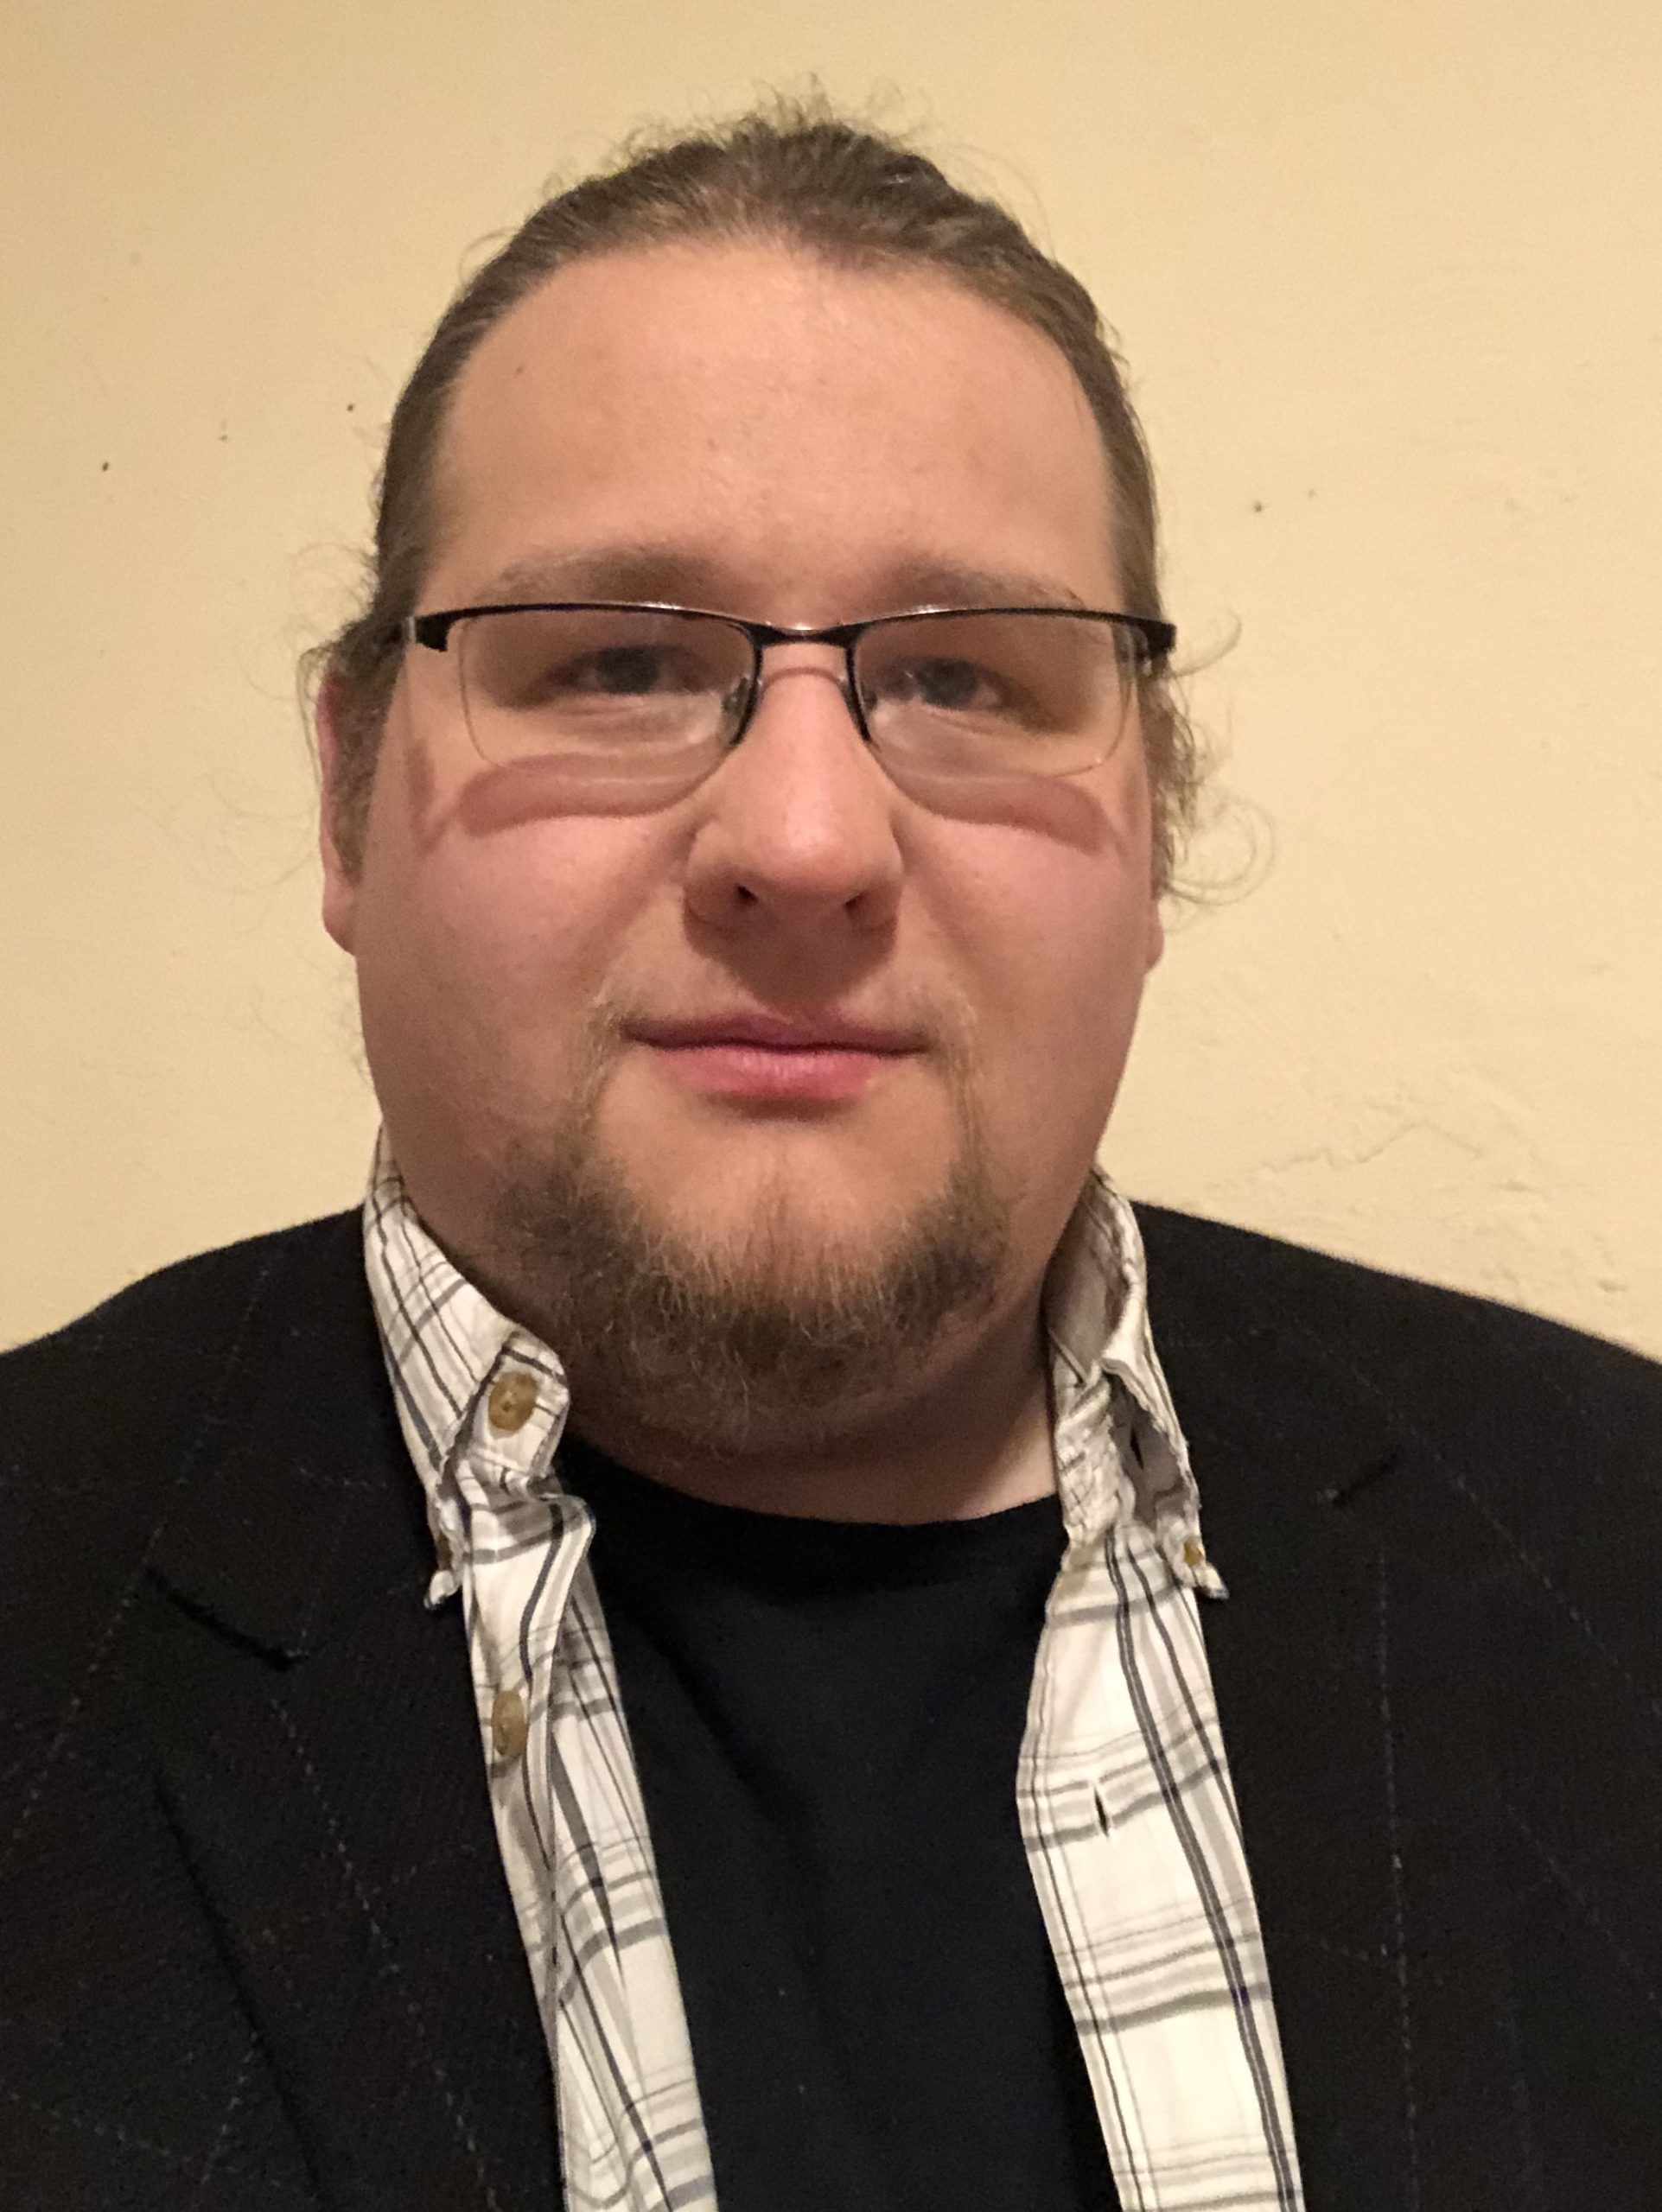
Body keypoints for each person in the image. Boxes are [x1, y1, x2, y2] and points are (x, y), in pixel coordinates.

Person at [3, 99, 1659, 2212]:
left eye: (963, 674)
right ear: (347, 796)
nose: (801, 841)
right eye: (616, 659)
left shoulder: (1614, 1552)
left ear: (1150, 814)